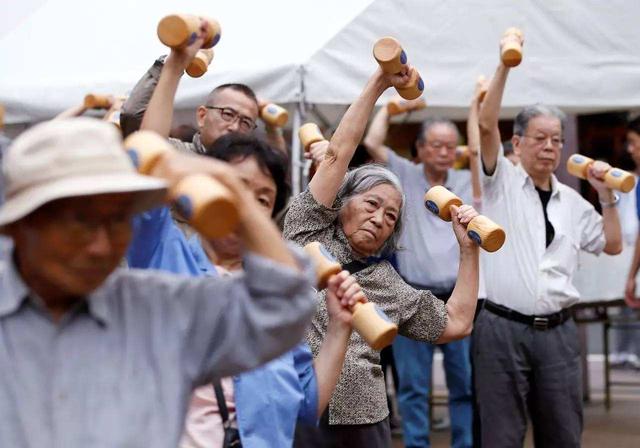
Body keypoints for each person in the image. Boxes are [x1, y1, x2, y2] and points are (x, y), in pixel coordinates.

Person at [0, 117, 318, 447]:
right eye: (80, 221)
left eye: (117, 221)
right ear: (20, 225)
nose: (102, 246)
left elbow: (284, 304)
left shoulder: (159, 309)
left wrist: (233, 189)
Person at [284, 64, 481, 448]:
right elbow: (336, 156)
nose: (379, 219)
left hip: (365, 423)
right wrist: (379, 83)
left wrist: (469, 251)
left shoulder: (386, 284)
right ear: (342, 202)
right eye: (372, 203)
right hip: (298, 409)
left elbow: (457, 323)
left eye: (391, 216)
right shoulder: (305, 233)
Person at [128, 132, 361, 447]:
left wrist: (339, 328)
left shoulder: (275, 301)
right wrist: (170, 78)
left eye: (262, 200)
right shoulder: (164, 253)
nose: (244, 206)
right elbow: (145, 164)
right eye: (234, 187)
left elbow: (306, 406)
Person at [475, 34, 623, 447]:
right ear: (517, 143)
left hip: (558, 333)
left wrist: (606, 192)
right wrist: (505, 63)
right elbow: (486, 124)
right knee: (501, 437)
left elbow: (612, 244)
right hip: (501, 327)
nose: (550, 147)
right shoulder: (499, 181)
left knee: (562, 435)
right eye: (539, 138)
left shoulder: (573, 202)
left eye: (556, 139)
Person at [361, 83, 487, 448]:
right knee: (413, 385)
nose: (445, 152)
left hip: (457, 298)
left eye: (451, 146)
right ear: (419, 149)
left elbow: (480, 156)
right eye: (437, 145)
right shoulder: (404, 175)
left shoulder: (464, 180)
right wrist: (390, 109)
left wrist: (476, 107)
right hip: (412, 295)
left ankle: (463, 444)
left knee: (462, 382)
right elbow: (371, 143)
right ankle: (417, 444)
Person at [120, 26, 286, 154]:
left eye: (245, 122)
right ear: (202, 116)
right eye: (227, 114)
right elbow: (133, 117)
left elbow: (278, 173)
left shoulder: (248, 174)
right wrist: (172, 63)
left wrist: (273, 128)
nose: (234, 127)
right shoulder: (175, 154)